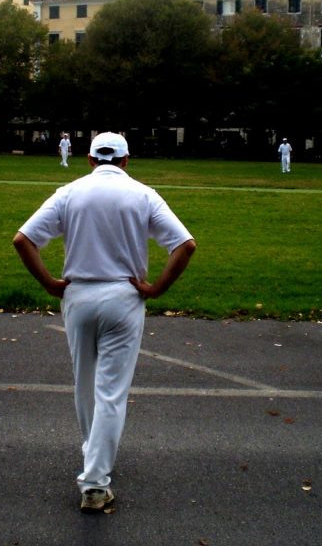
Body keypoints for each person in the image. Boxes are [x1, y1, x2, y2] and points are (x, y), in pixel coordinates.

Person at [12, 132, 196, 514]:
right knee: (111, 391)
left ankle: (92, 458)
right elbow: (185, 245)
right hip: (123, 297)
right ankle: (95, 481)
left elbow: (23, 240)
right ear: (126, 160)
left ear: (90, 159)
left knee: (86, 384)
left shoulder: (69, 192)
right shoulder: (143, 194)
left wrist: (49, 284)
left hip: (78, 295)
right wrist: (157, 289)